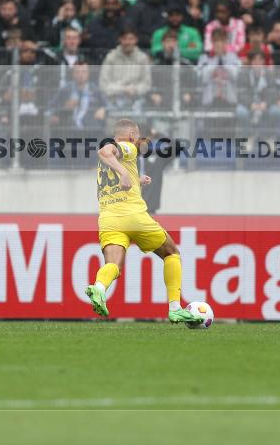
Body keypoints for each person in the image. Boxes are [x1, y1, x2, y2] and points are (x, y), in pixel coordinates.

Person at [84, 118, 203, 325]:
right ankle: (175, 308)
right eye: (138, 136)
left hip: (109, 219)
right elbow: (104, 152)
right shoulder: (127, 147)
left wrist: (135, 180)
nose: (139, 141)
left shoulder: (106, 164)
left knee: (113, 265)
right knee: (171, 253)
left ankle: (99, 288)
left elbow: (113, 176)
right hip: (134, 217)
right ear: (131, 135)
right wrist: (123, 173)